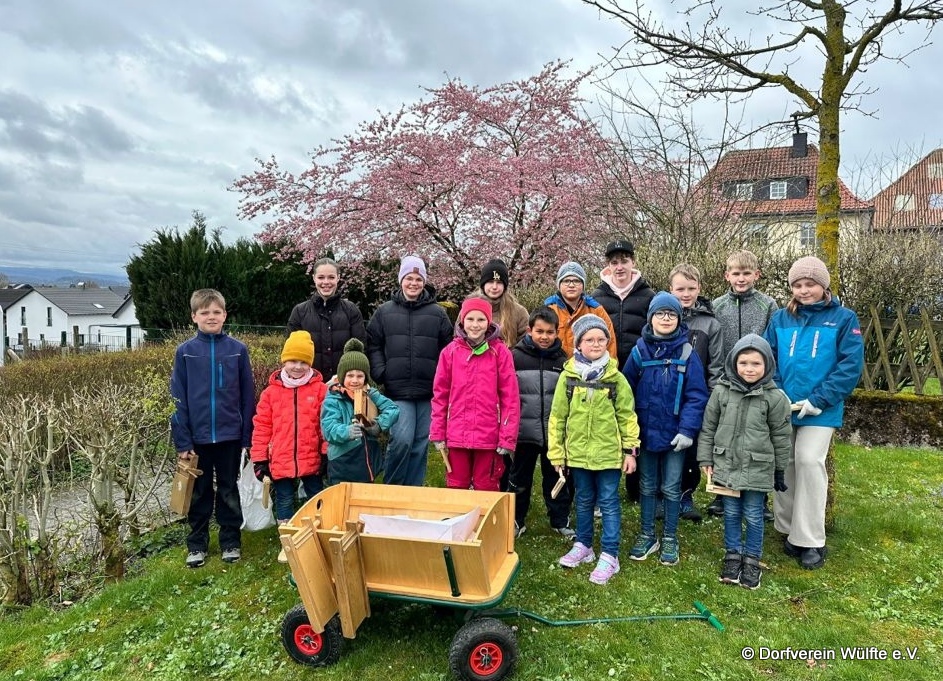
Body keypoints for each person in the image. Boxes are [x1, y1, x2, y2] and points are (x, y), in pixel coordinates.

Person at [763, 256, 864, 570]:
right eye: (797, 285)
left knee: (808, 460)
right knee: (785, 462)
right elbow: (767, 357)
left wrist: (820, 399)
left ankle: (809, 539)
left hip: (821, 408)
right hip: (784, 405)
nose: (804, 290)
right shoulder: (780, 319)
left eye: (810, 284)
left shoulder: (844, 318)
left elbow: (850, 366)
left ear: (823, 285)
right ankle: (787, 527)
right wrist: (777, 391)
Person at [548, 315, 640, 585]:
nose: (596, 344)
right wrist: (557, 453)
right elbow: (557, 418)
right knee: (584, 499)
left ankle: (610, 554)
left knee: (609, 503)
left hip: (608, 455)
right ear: (578, 344)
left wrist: (630, 451)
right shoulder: (568, 378)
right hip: (578, 454)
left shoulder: (616, 379)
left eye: (601, 339)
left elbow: (627, 415)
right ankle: (584, 544)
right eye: (589, 339)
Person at [698, 334, 792, 589]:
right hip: (726, 463)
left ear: (767, 365)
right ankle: (732, 555)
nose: (749, 369)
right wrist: (705, 457)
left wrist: (780, 469)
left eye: (756, 364)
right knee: (730, 512)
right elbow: (708, 427)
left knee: (753, 514)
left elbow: (781, 436)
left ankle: (751, 559)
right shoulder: (721, 392)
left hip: (758, 466)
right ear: (734, 363)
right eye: (744, 363)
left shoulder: (775, 398)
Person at [170, 289, 255, 569]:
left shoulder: (238, 350)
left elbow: (247, 396)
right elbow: (177, 399)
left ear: (225, 315)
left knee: (229, 489)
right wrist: (183, 441)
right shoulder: (185, 352)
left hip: (231, 436)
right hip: (198, 439)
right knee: (199, 492)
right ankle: (197, 544)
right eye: (204, 312)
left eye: (216, 312)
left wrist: (247, 437)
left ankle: (230, 541)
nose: (211, 317)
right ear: (194, 316)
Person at [623, 292, 708, 567]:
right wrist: (630, 431)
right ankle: (647, 534)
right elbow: (625, 392)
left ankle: (670, 536)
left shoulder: (687, 353)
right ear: (651, 318)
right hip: (646, 434)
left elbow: (696, 395)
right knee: (647, 485)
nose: (666, 318)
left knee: (672, 487)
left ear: (679, 318)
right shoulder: (639, 352)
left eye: (671, 314)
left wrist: (688, 430)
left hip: (675, 435)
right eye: (660, 313)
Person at [366, 255, 453, 486]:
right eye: (409, 278)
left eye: (418, 279)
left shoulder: (437, 313)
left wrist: (441, 378)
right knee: (402, 440)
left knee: (419, 443)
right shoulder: (384, 312)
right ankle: (393, 488)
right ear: (401, 280)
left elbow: (449, 350)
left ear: (424, 281)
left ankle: (413, 490)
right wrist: (381, 372)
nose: (413, 283)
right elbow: (373, 344)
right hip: (397, 390)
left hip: (428, 390)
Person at [708, 249, 780, 519]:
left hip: (757, 381)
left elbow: (773, 343)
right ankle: (722, 492)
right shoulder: (717, 306)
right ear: (727, 275)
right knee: (725, 435)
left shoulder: (768, 305)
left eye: (746, 273)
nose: (741, 278)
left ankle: (759, 497)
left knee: (757, 439)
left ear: (756, 275)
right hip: (728, 382)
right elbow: (714, 345)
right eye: (736, 273)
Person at [250, 330, 328, 562]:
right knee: (284, 499)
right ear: (284, 361)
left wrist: (326, 453)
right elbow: (262, 427)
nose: (298, 367)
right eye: (293, 361)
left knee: (316, 497)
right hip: (280, 458)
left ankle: (318, 535)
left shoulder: (320, 390)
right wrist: (259, 459)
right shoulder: (270, 393)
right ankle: (288, 541)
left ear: (310, 364)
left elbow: (325, 424)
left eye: (303, 362)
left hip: (311, 456)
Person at [430, 298, 520, 491]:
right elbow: (440, 396)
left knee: (486, 486)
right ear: (462, 321)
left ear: (489, 322)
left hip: (489, 436)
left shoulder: (500, 352)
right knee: (457, 486)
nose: (475, 325)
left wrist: (507, 437)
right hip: (457, 434)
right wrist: (437, 431)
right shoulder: (450, 352)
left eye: (481, 319)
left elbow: (510, 398)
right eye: (470, 319)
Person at [591, 239, 655, 504]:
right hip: (605, 372)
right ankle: (603, 486)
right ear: (608, 265)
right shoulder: (597, 297)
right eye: (614, 262)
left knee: (634, 423)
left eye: (624, 261)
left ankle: (635, 486)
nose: (620, 267)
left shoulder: (648, 296)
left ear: (633, 263)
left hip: (639, 371)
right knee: (603, 424)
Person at [506, 306, 573, 538]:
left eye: (550, 332)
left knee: (557, 477)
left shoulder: (563, 360)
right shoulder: (515, 357)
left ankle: (560, 520)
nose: (544, 337)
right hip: (523, 432)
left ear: (557, 332)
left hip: (552, 434)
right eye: (540, 331)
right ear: (529, 331)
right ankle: (516, 520)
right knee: (519, 479)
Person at [668, 263, 724, 522]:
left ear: (699, 288)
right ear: (671, 289)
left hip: (696, 397)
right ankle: (663, 494)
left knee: (691, 448)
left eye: (691, 288)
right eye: (680, 289)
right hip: (667, 394)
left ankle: (685, 495)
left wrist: (712, 399)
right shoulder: (663, 316)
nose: (686, 294)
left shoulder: (710, 324)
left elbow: (716, 366)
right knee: (665, 444)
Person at [321, 338, 400, 485]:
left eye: (360, 376)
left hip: (367, 463)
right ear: (342, 376)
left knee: (365, 496)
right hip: (342, 463)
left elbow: (393, 409)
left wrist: (378, 425)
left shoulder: (371, 394)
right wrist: (347, 431)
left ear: (366, 378)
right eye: (350, 375)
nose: (355, 380)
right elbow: (328, 429)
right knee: (343, 497)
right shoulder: (333, 399)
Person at [288, 257, 366, 381]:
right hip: (308, 384)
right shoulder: (299, 312)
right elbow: (292, 353)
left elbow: (360, 350)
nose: (326, 282)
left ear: (338, 278)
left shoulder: (351, 311)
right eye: (321, 277)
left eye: (331, 277)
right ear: (314, 278)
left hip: (343, 385)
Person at [544, 261, 617, 358]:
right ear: (559, 285)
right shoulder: (548, 310)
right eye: (566, 281)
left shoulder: (596, 311)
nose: (571, 285)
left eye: (576, 281)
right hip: (555, 365)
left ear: (583, 285)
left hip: (590, 366)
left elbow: (610, 344)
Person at [470, 258, 529, 348]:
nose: (494, 287)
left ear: (504, 286)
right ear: (483, 284)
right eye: (490, 282)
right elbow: (458, 338)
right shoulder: (469, 309)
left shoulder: (519, 312)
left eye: (499, 282)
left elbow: (527, 344)